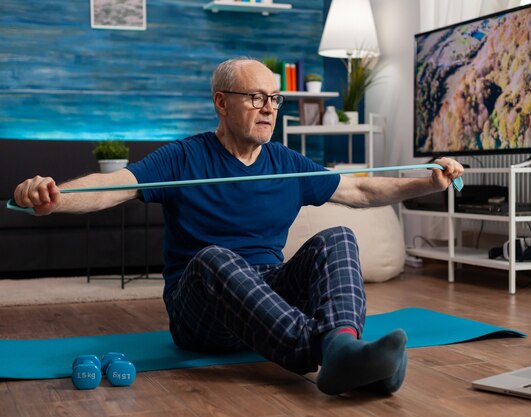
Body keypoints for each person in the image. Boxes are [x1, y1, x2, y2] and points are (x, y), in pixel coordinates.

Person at [13, 57, 464, 396]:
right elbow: (114, 186)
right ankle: (330, 355)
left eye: (273, 99)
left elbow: (361, 193)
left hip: (268, 297)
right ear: (221, 103)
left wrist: (428, 182)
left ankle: (344, 347)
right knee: (215, 257)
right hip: (203, 309)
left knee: (338, 237)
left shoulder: (286, 163)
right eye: (255, 97)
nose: (268, 108)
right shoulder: (184, 156)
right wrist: (51, 199)